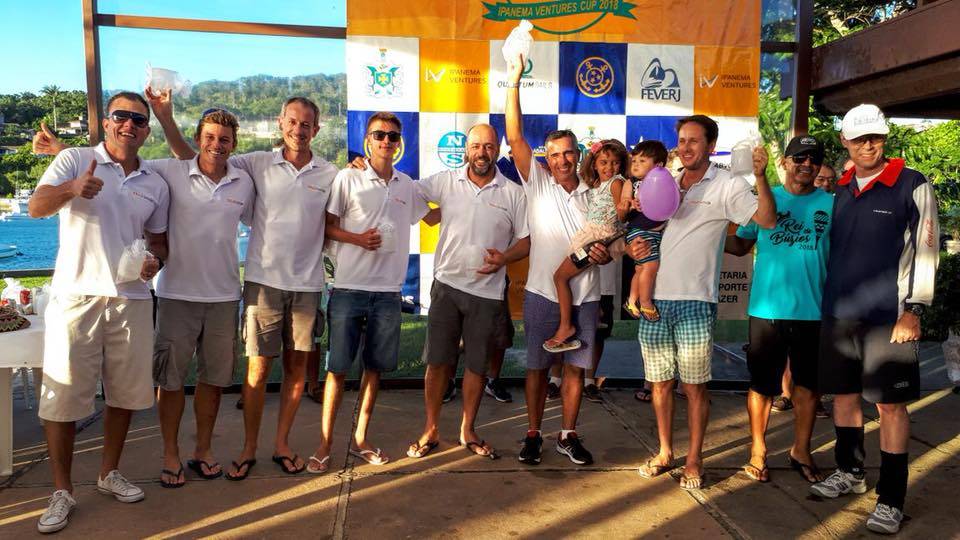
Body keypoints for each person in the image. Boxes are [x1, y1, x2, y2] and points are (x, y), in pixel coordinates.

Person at [36, 107, 257, 488]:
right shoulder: (169, 170)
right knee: (169, 381)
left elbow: (157, 230)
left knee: (212, 381)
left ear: (234, 145)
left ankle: (202, 451)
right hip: (173, 295)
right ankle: (169, 455)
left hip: (223, 295)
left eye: (224, 139)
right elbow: (117, 158)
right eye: (208, 137)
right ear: (197, 140)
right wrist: (62, 154)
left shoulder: (242, 182)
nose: (216, 145)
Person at [148, 91, 338, 479]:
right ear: (280, 123)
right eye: (292, 121)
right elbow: (197, 157)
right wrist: (165, 118)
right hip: (259, 284)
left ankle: (278, 444)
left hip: (303, 285)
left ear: (316, 129)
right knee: (254, 371)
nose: (298, 129)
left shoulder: (329, 173)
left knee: (292, 371)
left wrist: (362, 162)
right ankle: (243, 449)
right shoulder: (255, 164)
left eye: (306, 124)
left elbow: (349, 202)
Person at [29, 92, 169, 534]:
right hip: (77, 297)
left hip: (132, 299)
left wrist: (154, 262)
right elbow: (36, 206)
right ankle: (61, 490)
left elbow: (158, 241)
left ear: (147, 130)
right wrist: (71, 189)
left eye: (139, 120)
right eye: (121, 116)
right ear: (107, 122)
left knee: (125, 394)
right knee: (63, 398)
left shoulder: (155, 182)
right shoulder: (74, 159)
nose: (130, 125)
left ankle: (109, 473)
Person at [810, 104, 939, 535]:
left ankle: (891, 498)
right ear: (844, 141)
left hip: (890, 317)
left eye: (876, 137)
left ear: (885, 138)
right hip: (839, 313)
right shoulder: (840, 187)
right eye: (860, 138)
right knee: (844, 397)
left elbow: (926, 250)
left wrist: (914, 309)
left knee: (890, 406)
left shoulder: (912, 184)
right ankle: (850, 472)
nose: (869, 145)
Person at [630, 114, 776, 489]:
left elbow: (766, 220)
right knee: (659, 385)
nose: (686, 147)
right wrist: (634, 248)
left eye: (694, 140)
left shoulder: (727, 183)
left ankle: (694, 460)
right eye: (682, 140)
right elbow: (642, 234)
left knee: (694, 388)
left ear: (711, 146)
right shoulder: (665, 181)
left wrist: (760, 177)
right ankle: (665, 452)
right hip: (654, 302)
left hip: (696, 302)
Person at [306, 112, 430, 473]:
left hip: (388, 293)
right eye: (379, 135)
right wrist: (358, 239)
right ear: (367, 141)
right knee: (337, 370)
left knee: (374, 370)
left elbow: (432, 217)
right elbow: (327, 227)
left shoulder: (407, 185)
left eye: (392, 136)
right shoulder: (349, 177)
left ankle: (361, 439)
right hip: (348, 288)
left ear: (399, 142)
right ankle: (324, 445)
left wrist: (468, 199)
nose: (386, 141)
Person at [506, 53, 612, 466]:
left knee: (574, 370)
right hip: (539, 294)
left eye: (568, 153)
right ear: (546, 159)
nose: (562, 160)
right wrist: (514, 80)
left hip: (585, 297)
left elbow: (606, 240)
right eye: (554, 155)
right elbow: (514, 134)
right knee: (536, 368)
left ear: (577, 153)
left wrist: (604, 253)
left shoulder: (596, 194)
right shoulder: (536, 183)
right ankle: (533, 433)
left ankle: (567, 434)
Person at [406, 123, 529, 460]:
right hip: (447, 287)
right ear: (466, 150)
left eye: (488, 146)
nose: (481, 153)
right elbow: (407, 192)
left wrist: (505, 257)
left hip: (487, 294)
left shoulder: (513, 193)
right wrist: (430, 215)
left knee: (477, 366)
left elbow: (526, 240)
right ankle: (431, 428)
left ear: (497, 150)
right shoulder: (446, 181)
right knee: (437, 363)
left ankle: (467, 430)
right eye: (476, 146)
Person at [725, 135, 833, 484]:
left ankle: (801, 450)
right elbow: (741, 244)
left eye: (813, 159)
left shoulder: (832, 204)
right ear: (785, 162)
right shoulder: (765, 197)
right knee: (762, 386)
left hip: (813, 311)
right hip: (767, 310)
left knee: (808, 388)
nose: (806, 164)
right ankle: (758, 451)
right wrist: (704, 231)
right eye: (798, 158)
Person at [542, 139, 628, 352]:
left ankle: (566, 327)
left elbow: (621, 214)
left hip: (598, 238)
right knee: (569, 277)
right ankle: (595, 313)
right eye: (604, 162)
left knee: (560, 277)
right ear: (595, 164)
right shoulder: (596, 184)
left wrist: (627, 207)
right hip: (592, 236)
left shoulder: (616, 183)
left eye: (615, 162)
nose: (609, 167)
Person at [621, 140, 670, 321]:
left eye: (642, 161)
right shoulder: (631, 182)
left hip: (654, 232)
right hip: (640, 231)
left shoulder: (663, 182)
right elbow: (623, 202)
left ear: (658, 166)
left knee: (641, 269)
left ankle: (632, 301)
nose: (635, 164)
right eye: (634, 160)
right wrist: (631, 204)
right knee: (651, 266)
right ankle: (646, 302)